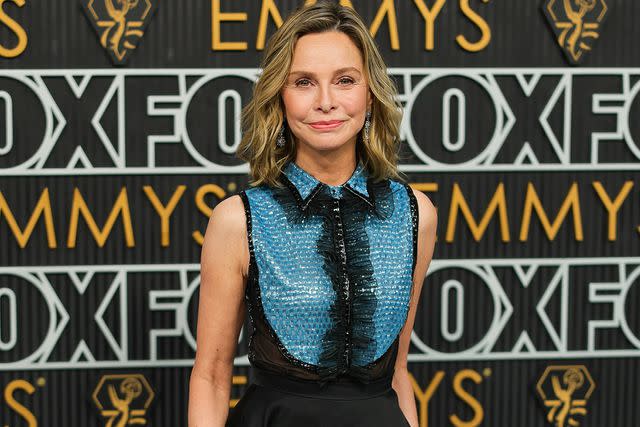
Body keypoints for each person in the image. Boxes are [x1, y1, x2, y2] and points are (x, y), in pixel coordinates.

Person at [188, 2, 437, 426]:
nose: (326, 102)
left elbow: (397, 370)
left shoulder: (415, 213)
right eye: (303, 82)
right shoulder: (239, 219)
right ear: (279, 98)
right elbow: (211, 375)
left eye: (344, 81)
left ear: (370, 93)